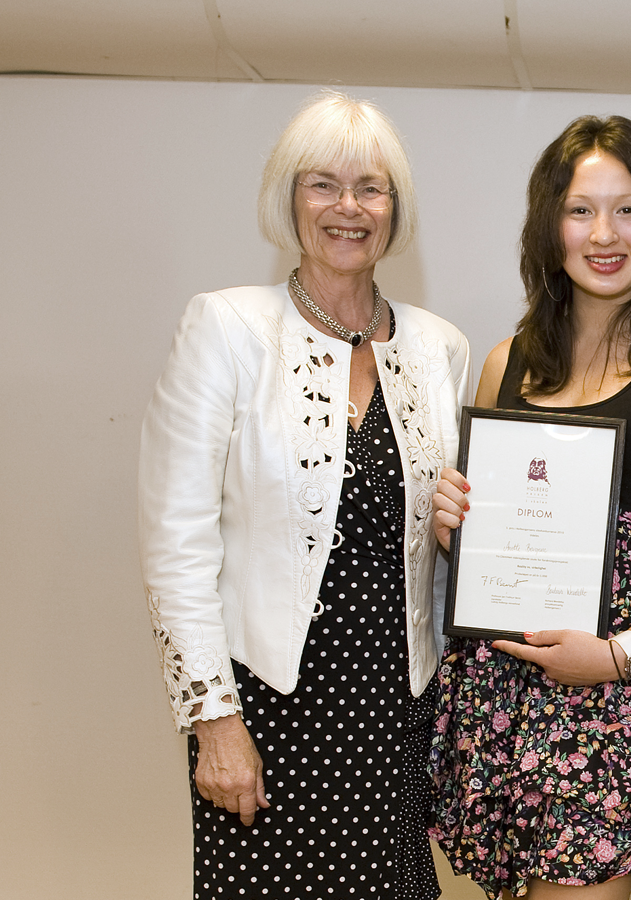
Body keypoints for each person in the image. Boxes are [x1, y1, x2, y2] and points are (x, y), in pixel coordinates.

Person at [139, 90, 470, 900]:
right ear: (289, 198)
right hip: (264, 709)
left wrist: (464, 527)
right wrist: (214, 722)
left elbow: (434, 543)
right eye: (323, 184)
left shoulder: (440, 348)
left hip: (396, 709)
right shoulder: (224, 328)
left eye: (372, 187)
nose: (348, 207)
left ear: (397, 208)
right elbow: (175, 545)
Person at [428, 115, 631, 899]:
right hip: (503, 700)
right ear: (550, 225)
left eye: (628, 208)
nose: (604, 233)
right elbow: (487, 546)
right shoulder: (505, 363)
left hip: (619, 702)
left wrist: (617, 656)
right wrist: (451, 528)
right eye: (581, 210)